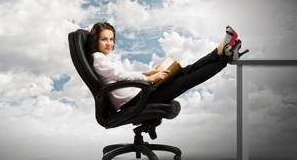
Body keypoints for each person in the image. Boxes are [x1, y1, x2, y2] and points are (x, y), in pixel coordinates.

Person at [87, 22, 247, 111]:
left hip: (139, 92)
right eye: (104, 39)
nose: (109, 43)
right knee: (187, 79)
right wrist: (150, 78)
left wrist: (150, 72)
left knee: (183, 71)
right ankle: (224, 58)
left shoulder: (104, 58)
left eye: (111, 39)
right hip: (136, 101)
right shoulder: (98, 58)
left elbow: (121, 74)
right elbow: (121, 77)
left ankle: (219, 51)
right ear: (95, 40)